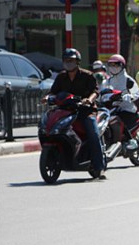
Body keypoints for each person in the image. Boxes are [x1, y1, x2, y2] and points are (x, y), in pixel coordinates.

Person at [44, 48, 105, 179]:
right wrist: (47, 97)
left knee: (93, 133)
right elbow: (53, 91)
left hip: (85, 111)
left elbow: (95, 91)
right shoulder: (61, 77)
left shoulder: (87, 75)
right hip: (66, 111)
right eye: (66, 60)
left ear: (77, 62)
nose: (68, 63)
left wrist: (89, 100)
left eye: (71, 60)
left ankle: (99, 166)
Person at [102, 54, 139, 151]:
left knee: (121, 120)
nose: (113, 67)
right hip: (112, 108)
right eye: (111, 65)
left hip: (127, 108)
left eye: (116, 65)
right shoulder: (108, 81)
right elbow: (102, 92)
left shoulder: (128, 80)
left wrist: (130, 96)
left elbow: (136, 92)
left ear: (122, 66)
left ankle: (131, 140)